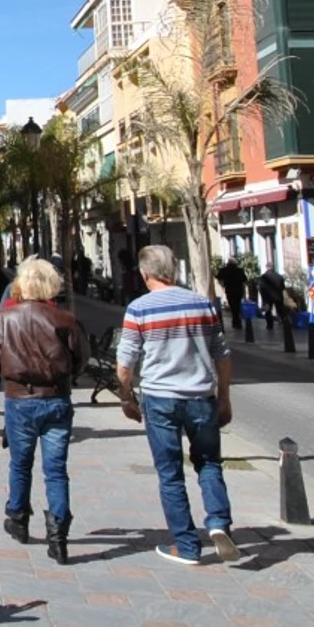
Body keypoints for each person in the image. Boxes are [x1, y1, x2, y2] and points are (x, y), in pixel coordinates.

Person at [117, 242, 237, 565]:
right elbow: (222, 354)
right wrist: (224, 397)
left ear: (145, 274)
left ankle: (186, 545)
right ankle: (218, 522)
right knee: (209, 463)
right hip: (201, 397)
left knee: (170, 473)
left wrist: (126, 398)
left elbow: (125, 364)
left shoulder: (139, 309)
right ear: (173, 269)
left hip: (159, 398)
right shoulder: (202, 304)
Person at [0, 256, 87, 562]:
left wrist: (7, 372)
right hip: (56, 398)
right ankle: (58, 534)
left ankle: (18, 517)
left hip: (19, 399)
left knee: (20, 463)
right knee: (56, 469)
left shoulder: (1, 319)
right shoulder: (66, 321)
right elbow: (80, 360)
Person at [214, 254, 249, 331]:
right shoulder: (240, 270)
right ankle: (237, 322)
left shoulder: (224, 270)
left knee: (233, 306)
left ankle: (236, 322)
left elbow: (218, 277)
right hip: (238, 290)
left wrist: (222, 285)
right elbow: (245, 280)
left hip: (229, 290)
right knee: (237, 306)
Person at [255, 261, 286, 331]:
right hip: (278, 297)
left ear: (267, 267)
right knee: (280, 310)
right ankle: (284, 323)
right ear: (273, 267)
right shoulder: (279, 276)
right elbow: (282, 288)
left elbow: (261, 288)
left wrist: (263, 298)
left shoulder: (263, 277)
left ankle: (270, 325)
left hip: (267, 298)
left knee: (268, 311)